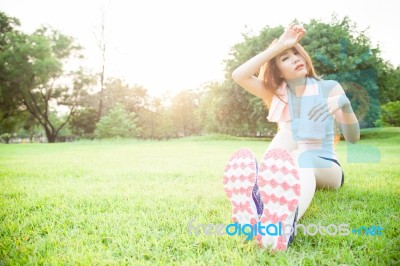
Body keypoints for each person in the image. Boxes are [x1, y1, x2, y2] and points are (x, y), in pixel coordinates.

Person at [222, 24, 360, 251]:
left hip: (327, 168)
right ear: (278, 71)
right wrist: (279, 46)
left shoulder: (329, 88)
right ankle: (261, 204)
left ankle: (284, 225)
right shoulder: (277, 94)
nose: (295, 58)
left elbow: (353, 138)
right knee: (290, 143)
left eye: (296, 52)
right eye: (285, 58)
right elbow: (239, 75)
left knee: (300, 154)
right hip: (292, 167)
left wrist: (344, 105)